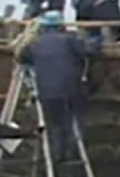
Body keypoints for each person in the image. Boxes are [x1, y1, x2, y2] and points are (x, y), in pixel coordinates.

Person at [18, 10, 88, 164]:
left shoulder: (36, 44)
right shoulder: (70, 40)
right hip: (70, 91)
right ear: (61, 25)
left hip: (46, 92)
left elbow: (22, 56)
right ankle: (71, 154)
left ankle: (57, 155)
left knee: (54, 123)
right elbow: (85, 51)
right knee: (69, 121)